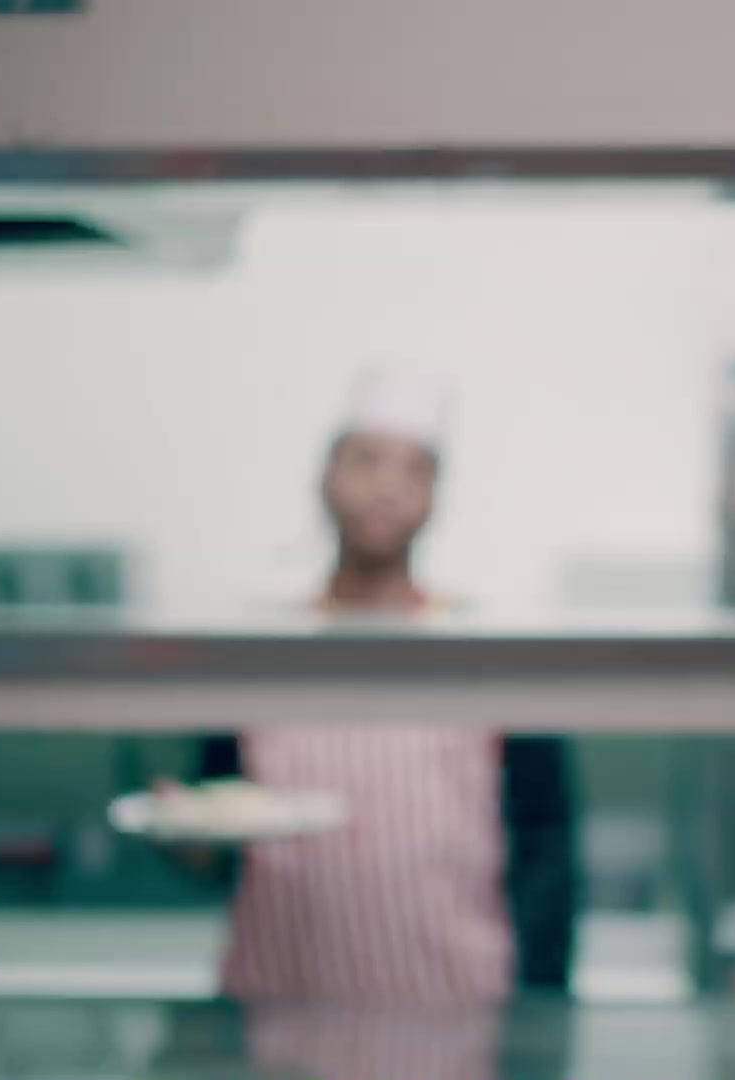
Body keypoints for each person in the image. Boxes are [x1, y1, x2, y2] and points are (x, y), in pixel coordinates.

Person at [177, 365, 580, 1004]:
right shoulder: (261, 650)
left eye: (413, 470)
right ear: (326, 476)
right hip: (279, 1003)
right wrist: (184, 827)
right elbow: (215, 841)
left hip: (453, 1007)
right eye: (366, 461)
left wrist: (539, 1010)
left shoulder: (485, 654)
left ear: (435, 496)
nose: (386, 488)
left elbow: (547, 851)